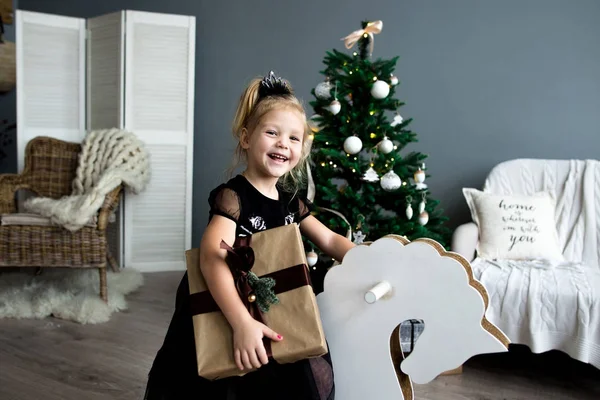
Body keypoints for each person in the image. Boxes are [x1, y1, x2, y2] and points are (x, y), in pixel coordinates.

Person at [144, 71, 356, 400]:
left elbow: (329, 240)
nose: (283, 143)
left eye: (294, 138)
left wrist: (371, 261)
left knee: (294, 375)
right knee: (224, 378)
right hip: (229, 304)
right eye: (272, 133)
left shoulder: (290, 200)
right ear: (246, 138)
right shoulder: (234, 198)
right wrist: (241, 322)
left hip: (276, 305)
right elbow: (212, 257)